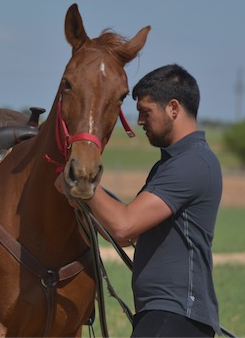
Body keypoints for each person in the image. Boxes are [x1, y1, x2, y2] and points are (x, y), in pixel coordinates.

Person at [88, 64, 222, 337]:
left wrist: (81, 183)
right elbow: (124, 236)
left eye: (145, 112)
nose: (139, 122)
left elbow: (123, 225)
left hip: (174, 316)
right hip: (163, 315)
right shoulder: (170, 165)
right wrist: (79, 203)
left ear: (173, 108)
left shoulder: (192, 163)